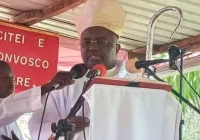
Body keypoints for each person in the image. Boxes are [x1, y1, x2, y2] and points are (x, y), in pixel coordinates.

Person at [28, 0, 141, 139]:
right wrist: (63, 131)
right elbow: (37, 128)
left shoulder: (136, 85)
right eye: (86, 42)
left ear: (117, 48)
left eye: (102, 41)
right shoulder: (66, 85)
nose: (92, 47)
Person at [0, 60, 88, 140]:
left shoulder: (11, 119)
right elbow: (0, 111)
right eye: (4, 77)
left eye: (12, 77)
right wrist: (47, 87)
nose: (11, 81)